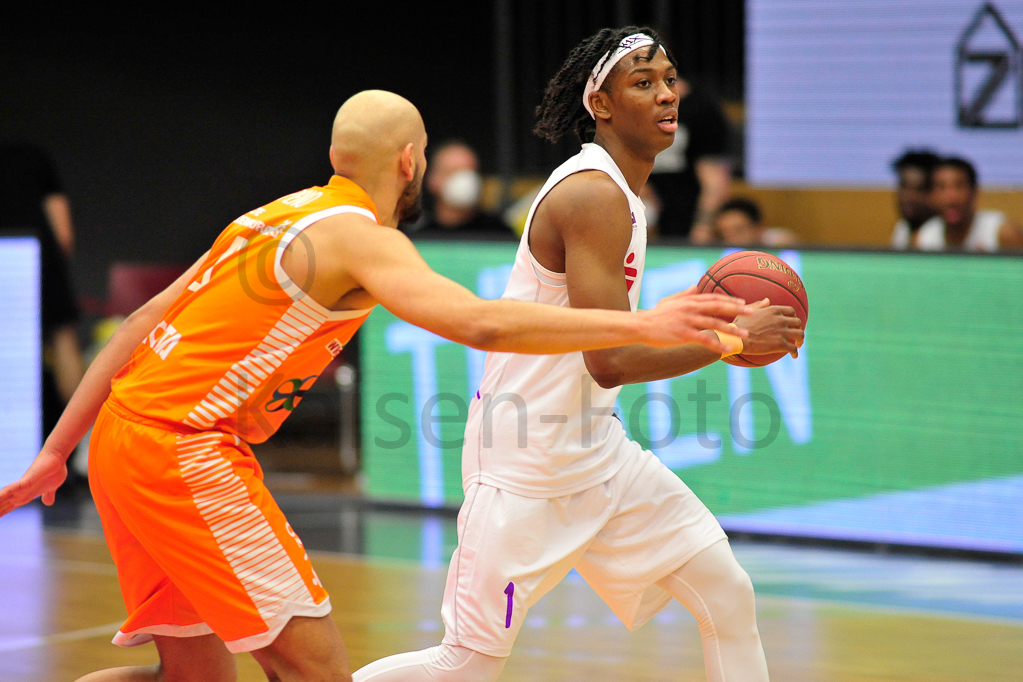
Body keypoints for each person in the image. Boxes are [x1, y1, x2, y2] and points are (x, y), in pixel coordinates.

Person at [0, 90, 754, 682]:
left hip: (123, 440)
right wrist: (645, 325)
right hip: (183, 451)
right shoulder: (362, 237)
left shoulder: (271, 215)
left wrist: (56, 450)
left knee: (188, 679)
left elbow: (138, 320)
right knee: (321, 671)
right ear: (409, 162)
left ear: (335, 155)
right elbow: (482, 324)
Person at [353, 28, 802, 682]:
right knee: (465, 666)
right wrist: (730, 340)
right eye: (641, 83)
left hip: (596, 453)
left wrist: (709, 326)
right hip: (524, 465)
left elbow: (607, 347)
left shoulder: (623, 193)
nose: (664, 95)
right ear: (601, 103)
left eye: (669, 79)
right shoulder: (592, 194)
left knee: (726, 595)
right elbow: (609, 358)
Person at [0, 143, 84, 448]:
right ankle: (82, 443)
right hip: (37, 257)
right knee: (63, 341)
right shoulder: (34, 157)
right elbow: (63, 235)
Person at [644, 60, 732, 239]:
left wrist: (703, 226)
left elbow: (714, 181)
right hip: (642, 215)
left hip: (686, 220)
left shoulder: (701, 109)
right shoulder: (632, 108)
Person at [913, 157, 1023, 252]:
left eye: (959, 186)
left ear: (974, 191)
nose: (951, 198)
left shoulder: (1002, 233)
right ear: (930, 196)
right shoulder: (924, 238)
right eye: (941, 187)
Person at [405, 141, 511, 237]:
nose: (464, 180)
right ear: (433, 180)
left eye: (470, 171)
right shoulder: (420, 238)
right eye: (454, 172)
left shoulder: (501, 235)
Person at [693, 197, 798, 247]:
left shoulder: (778, 242)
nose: (730, 240)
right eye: (723, 233)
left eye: (739, 230)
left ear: (758, 229)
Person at [890, 150, 940, 250]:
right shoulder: (902, 228)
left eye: (919, 189)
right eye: (904, 186)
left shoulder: (944, 235)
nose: (909, 197)